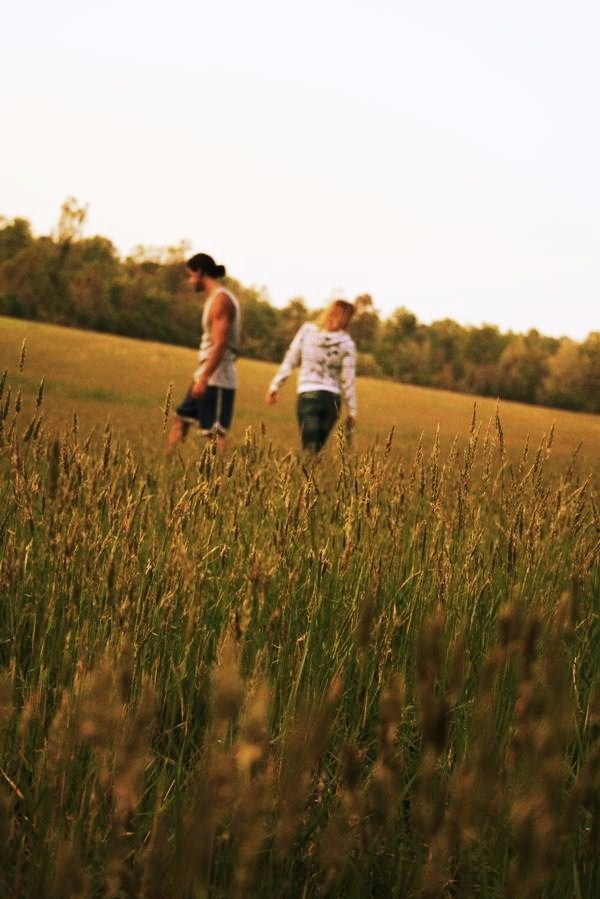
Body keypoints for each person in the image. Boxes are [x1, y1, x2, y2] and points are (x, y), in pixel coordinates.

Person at [168, 253, 241, 452]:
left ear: (200, 272)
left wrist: (205, 377)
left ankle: (219, 480)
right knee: (181, 419)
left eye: (190, 275)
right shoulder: (214, 299)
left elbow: (221, 343)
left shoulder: (221, 301)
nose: (190, 281)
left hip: (217, 378)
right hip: (206, 373)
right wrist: (201, 375)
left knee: (214, 434)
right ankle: (166, 465)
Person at [267, 299, 357, 452]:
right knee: (316, 450)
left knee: (309, 449)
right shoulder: (347, 343)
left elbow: (291, 359)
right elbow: (347, 380)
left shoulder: (307, 331)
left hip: (308, 395)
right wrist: (352, 410)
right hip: (332, 402)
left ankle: (306, 474)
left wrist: (275, 385)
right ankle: (312, 474)